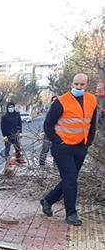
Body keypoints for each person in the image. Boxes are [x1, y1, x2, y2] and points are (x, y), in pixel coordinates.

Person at [40, 74, 98, 226]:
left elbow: (92, 124)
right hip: (63, 148)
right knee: (71, 179)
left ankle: (48, 200)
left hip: (80, 147)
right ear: (71, 83)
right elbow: (48, 125)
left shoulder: (92, 100)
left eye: (82, 84)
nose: (79, 87)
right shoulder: (61, 101)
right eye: (76, 84)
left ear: (87, 85)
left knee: (69, 180)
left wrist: (88, 143)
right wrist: (59, 142)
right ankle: (71, 214)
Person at [39, 95, 58, 166]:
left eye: (56, 101)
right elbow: (43, 122)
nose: (54, 102)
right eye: (53, 100)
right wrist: (42, 131)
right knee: (45, 148)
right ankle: (42, 164)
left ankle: (55, 164)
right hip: (47, 133)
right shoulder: (48, 112)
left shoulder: (60, 112)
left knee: (56, 149)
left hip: (57, 133)